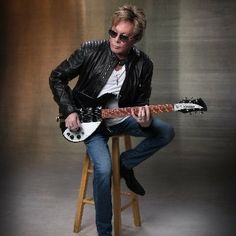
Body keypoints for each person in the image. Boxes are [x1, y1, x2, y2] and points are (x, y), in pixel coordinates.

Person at [49, 4, 174, 236]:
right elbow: (57, 77)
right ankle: (105, 232)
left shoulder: (144, 64)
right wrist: (69, 110)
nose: (115, 40)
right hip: (91, 123)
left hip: (122, 119)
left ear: (135, 38)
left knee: (166, 131)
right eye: (112, 33)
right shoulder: (90, 50)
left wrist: (144, 120)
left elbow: (141, 104)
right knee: (104, 171)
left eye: (123, 37)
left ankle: (125, 164)